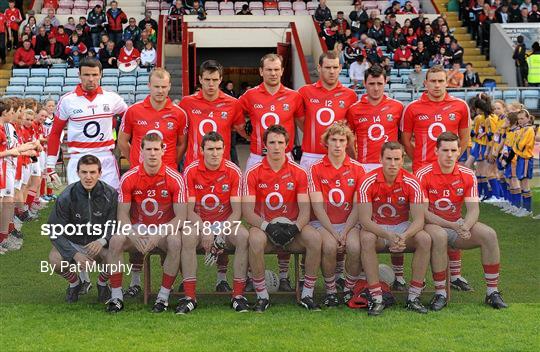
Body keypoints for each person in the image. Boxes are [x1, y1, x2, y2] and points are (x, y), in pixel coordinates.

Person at [400, 65, 471, 292]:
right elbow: (406, 139)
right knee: (423, 223)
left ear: (446, 82)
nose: (437, 85)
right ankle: (409, 277)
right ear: (425, 82)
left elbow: (464, 138)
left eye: (441, 81)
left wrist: (451, 162)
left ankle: (456, 275)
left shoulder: (460, 106)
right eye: (433, 81)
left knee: (453, 216)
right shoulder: (412, 108)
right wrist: (422, 164)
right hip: (423, 174)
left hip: (450, 173)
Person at [418, 132, 508, 309]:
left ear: (460, 151)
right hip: (432, 226)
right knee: (439, 235)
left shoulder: (467, 174)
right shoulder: (423, 174)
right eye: (445, 150)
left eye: (453, 150)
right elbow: (422, 214)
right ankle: (440, 294)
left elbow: (474, 209)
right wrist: (455, 226)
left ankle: (492, 292)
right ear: (436, 151)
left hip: (457, 224)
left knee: (489, 234)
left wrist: (465, 226)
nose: (449, 154)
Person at [243, 125, 322, 312]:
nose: (276, 147)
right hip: (265, 228)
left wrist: (295, 228)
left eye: (280, 142)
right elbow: (247, 212)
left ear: (287, 145)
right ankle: (262, 296)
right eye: (272, 142)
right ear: (265, 145)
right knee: (253, 239)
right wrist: (268, 227)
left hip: (292, 229)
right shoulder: (253, 172)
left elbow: (305, 210)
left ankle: (307, 295)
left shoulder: (300, 172)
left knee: (315, 238)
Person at [107, 132, 187, 313]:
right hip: (138, 228)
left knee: (175, 241)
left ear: (163, 151)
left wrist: (160, 232)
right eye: (148, 149)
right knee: (116, 240)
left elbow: (181, 216)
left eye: (156, 149)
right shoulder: (129, 177)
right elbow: (122, 214)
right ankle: (116, 297)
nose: (152, 153)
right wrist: (132, 233)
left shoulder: (175, 178)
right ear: (141, 151)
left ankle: (163, 297)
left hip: (164, 230)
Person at [355, 141, 430, 316]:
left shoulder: (412, 182)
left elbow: (419, 220)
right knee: (366, 238)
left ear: (403, 160)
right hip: (377, 227)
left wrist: (404, 235)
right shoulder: (367, 180)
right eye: (388, 159)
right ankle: (376, 297)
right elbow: (365, 220)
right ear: (380, 159)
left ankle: (413, 297)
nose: (393, 163)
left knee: (425, 239)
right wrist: (388, 235)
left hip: (402, 226)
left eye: (397, 159)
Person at [182, 131, 250, 313]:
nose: (214, 153)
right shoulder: (191, 170)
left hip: (226, 222)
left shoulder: (234, 171)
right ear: (202, 151)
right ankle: (190, 297)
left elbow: (237, 211)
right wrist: (205, 229)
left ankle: (237, 296)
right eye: (210, 149)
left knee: (243, 236)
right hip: (198, 222)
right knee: (187, 238)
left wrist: (221, 231)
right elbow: (188, 210)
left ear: (224, 150)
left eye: (218, 149)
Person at [46, 58, 128, 190]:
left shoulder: (112, 98)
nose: (91, 79)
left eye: (95, 75)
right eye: (86, 75)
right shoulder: (67, 100)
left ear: (101, 74)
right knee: (79, 206)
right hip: (79, 158)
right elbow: (55, 133)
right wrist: (50, 165)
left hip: (105, 157)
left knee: (111, 203)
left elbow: (131, 120)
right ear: (79, 75)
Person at [308, 122, 365, 307]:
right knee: (331, 246)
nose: (338, 144)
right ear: (327, 142)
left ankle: (349, 289)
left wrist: (346, 231)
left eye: (342, 140)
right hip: (323, 223)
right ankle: (331, 290)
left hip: (349, 223)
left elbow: (358, 207)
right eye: (334, 140)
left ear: (348, 142)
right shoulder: (315, 168)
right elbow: (317, 208)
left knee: (355, 247)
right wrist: (333, 232)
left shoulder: (358, 169)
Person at [47, 155, 117, 303]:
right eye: (84, 172)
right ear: (78, 173)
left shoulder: (110, 194)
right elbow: (54, 230)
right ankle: (75, 283)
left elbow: (116, 225)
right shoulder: (66, 196)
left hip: (98, 244)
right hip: (74, 242)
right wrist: (75, 254)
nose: (88, 177)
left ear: (100, 173)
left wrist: (102, 241)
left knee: (115, 257)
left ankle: (102, 284)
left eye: (92, 172)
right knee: (55, 260)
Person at [239, 54, 303, 172]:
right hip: (258, 157)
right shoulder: (250, 95)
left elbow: (303, 125)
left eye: (276, 69)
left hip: (285, 157)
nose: (273, 73)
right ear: (261, 71)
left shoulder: (294, 96)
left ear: (282, 71)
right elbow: (235, 121)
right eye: (269, 69)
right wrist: (248, 136)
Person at [179, 60, 247, 168]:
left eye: (215, 80)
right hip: (194, 167)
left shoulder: (233, 104)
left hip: (222, 167)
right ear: (200, 79)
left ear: (220, 80)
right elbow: (179, 136)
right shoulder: (187, 103)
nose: (211, 84)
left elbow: (243, 131)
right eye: (207, 79)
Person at [298, 51, 357, 170]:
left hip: (338, 156)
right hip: (311, 155)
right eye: (327, 67)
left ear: (340, 68)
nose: (331, 71)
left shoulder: (350, 95)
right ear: (319, 68)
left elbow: (350, 129)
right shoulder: (305, 92)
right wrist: (312, 132)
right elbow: (299, 120)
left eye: (335, 67)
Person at [119, 68, 187, 171]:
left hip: (167, 173)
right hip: (139, 172)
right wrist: (135, 162)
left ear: (169, 86)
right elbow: (122, 141)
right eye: (156, 86)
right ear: (149, 85)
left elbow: (182, 144)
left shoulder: (179, 114)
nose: (160, 91)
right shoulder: (133, 110)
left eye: (164, 87)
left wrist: (171, 163)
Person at [346, 65, 403, 172]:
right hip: (364, 166)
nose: (376, 88)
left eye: (379, 83)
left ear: (385, 82)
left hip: (390, 165)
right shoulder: (354, 109)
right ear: (364, 83)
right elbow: (349, 140)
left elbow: (402, 137)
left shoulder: (397, 107)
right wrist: (355, 162)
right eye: (372, 84)